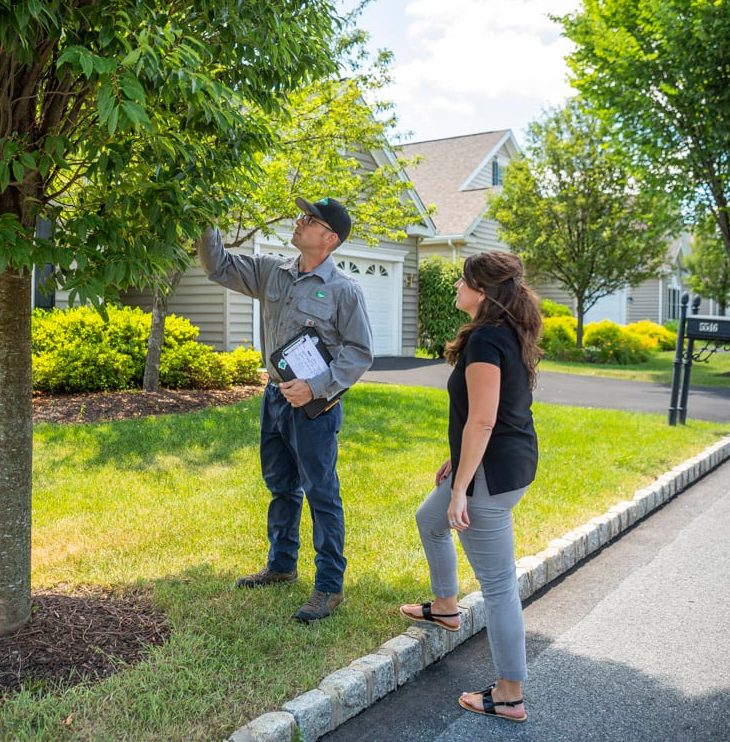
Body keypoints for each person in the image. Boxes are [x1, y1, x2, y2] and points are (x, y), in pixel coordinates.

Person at [197, 197, 374, 623]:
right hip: (274, 398)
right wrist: (204, 219)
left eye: (309, 220)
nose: (298, 222)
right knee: (280, 486)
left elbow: (360, 354)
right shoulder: (270, 271)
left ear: (329, 239)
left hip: (315, 407)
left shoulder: (344, 290)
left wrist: (315, 386)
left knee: (321, 492)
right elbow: (217, 265)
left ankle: (329, 586)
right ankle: (281, 565)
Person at [398, 250, 542, 722]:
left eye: (463, 281)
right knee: (428, 519)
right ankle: (444, 606)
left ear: (482, 291)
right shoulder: (505, 334)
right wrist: (457, 459)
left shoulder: (485, 342)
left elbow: (481, 420)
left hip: (489, 477)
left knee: (499, 586)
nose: (456, 287)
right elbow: (487, 415)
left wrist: (462, 486)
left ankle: (509, 695)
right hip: (504, 463)